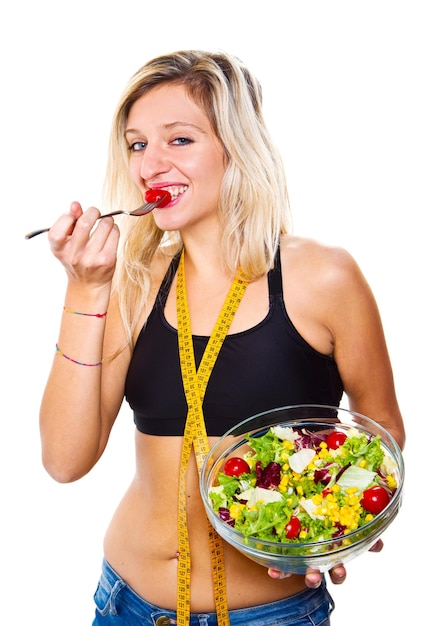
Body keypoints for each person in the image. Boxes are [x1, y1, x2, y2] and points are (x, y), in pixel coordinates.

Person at [38, 49, 405, 626]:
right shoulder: (132, 284)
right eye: (137, 145)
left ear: (237, 146)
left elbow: (381, 428)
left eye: (178, 140)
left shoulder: (323, 277)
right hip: (127, 606)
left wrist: (346, 527)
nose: (150, 164)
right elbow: (64, 460)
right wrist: (85, 289)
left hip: (272, 614)